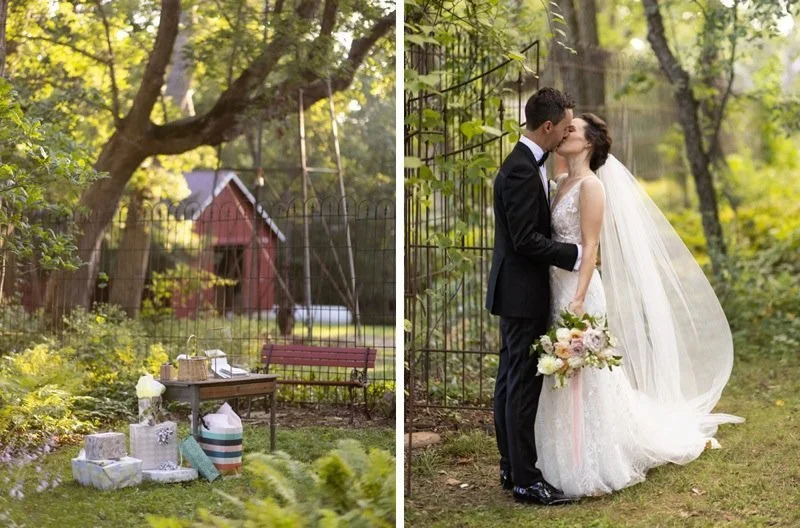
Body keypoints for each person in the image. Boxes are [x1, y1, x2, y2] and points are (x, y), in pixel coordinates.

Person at [534, 112, 744, 498]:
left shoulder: (592, 187)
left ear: (590, 142)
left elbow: (591, 247)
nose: (564, 134)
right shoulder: (561, 182)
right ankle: (562, 456)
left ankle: (592, 462)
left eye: (573, 130)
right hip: (554, 284)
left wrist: (579, 297)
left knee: (585, 369)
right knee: (560, 371)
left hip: (579, 290)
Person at [485, 87, 582, 505]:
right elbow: (526, 240)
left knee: (509, 382)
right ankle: (526, 479)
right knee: (521, 387)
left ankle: (511, 468)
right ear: (547, 126)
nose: (565, 134)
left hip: (513, 289)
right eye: (563, 127)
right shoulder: (524, 169)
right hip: (523, 291)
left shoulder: (525, 163)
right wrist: (575, 254)